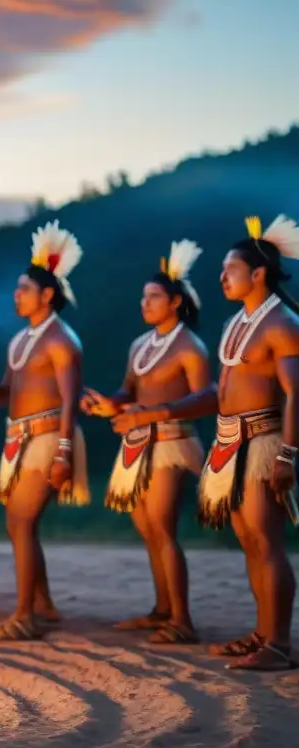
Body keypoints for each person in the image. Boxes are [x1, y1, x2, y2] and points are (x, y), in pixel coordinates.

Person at [124, 215, 299, 671]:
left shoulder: (283, 323)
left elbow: (297, 393)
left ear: (258, 273)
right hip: (229, 444)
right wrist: (155, 411)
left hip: (264, 441)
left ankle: (278, 645)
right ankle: (263, 634)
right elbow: (216, 396)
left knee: (267, 540)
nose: (221, 277)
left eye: (230, 269)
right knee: (250, 541)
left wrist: (288, 455)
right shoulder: (234, 326)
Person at [80, 241, 207, 644]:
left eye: (153, 297)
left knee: (163, 527)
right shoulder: (140, 345)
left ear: (175, 302)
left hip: (171, 442)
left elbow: (205, 399)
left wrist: (152, 414)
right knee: (148, 528)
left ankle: (182, 620)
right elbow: (128, 391)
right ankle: (162, 609)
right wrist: (107, 405)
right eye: (143, 297)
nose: (144, 303)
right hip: (135, 443)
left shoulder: (191, 346)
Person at [0, 220, 89, 642]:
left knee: (21, 521)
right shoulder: (21, 340)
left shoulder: (63, 340)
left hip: (48, 439)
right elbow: (8, 388)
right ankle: (42, 604)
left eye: (23, 289)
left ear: (47, 294)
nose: (16, 295)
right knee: (17, 523)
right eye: (17, 288)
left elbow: (69, 401)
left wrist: (63, 451)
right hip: (19, 439)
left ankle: (26, 615)